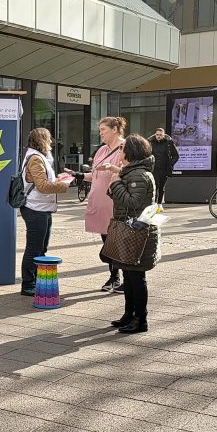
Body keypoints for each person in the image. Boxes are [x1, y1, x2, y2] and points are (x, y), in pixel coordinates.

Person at [106, 135, 161, 334]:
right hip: (129, 231)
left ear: (131, 152)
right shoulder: (132, 172)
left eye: (122, 149)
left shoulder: (139, 175)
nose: (119, 152)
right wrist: (117, 182)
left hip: (137, 234)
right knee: (128, 276)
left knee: (137, 278)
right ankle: (129, 315)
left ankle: (140, 319)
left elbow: (132, 202)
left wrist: (115, 183)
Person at [69, 117, 127, 292]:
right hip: (99, 201)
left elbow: (131, 172)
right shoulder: (101, 150)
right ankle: (113, 277)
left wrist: (113, 169)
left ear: (115, 129)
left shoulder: (126, 147)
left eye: (103, 129)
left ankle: (124, 278)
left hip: (114, 201)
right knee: (107, 242)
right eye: (100, 129)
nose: (100, 133)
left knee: (118, 241)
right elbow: (93, 176)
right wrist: (78, 175)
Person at [19, 128, 70, 296]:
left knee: (42, 247)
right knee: (34, 247)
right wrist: (64, 185)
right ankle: (27, 284)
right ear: (41, 141)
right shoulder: (36, 159)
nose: (51, 143)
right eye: (48, 140)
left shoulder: (38, 157)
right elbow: (42, 186)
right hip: (35, 208)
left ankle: (36, 280)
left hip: (42, 207)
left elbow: (43, 181)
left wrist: (57, 179)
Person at [148, 128, 179, 206]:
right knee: (154, 186)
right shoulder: (150, 143)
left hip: (164, 169)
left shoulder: (168, 143)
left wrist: (170, 164)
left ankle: (159, 204)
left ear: (163, 135)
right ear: (155, 135)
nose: (158, 136)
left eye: (160, 135)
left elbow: (176, 155)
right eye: (157, 135)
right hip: (153, 169)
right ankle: (153, 204)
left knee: (162, 187)